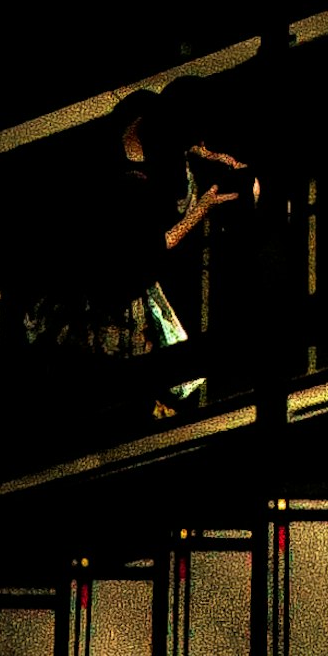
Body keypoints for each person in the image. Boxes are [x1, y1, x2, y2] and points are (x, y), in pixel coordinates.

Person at [109, 87, 257, 417]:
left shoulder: (152, 135)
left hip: (145, 268)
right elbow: (157, 245)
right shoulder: (133, 180)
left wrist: (215, 159)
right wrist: (200, 211)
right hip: (127, 279)